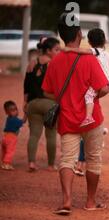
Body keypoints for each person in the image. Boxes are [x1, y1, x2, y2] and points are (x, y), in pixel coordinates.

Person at [42, 13, 109, 216]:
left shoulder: (54, 61)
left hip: (67, 118)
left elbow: (46, 90)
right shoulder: (89, 60)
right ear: (79, 34)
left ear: (62, 36)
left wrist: (64, 97)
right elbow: (104, 87)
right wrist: (92, 96)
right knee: (94, 159)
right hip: (92, 119)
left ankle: (67, 201)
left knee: (67, 159)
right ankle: (90, 201)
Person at [63, 28, 109, 128]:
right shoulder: (107, 54)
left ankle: (89, 117)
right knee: (92, 100)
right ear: (104, 41)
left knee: (88, 96)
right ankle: (100, 127)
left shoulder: (96, 51)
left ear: (89, 42)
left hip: (102, 82)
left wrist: (69, 49)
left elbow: (83, 51)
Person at [23, 37, 61, 172]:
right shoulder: (55, 64)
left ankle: (31, 163)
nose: (59, 52)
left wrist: (25, 104)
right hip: (49, 104)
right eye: (57, 49)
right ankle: (51, 165)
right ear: (49, 50)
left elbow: (26, 87)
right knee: (51, 135)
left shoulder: (31, 63)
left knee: (34, 134)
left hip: (32, 104)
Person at [1, 101, 27, 170]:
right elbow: (23, 121)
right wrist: (26, 113)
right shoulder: (14, 120)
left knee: (5, 151)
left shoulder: (8, 118)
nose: (15, 111)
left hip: (5, 137)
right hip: (11, 138)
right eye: (12, 110)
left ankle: (3, 163)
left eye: (16, 109)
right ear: (7, 112)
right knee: (10, 151)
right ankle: (7, 163)